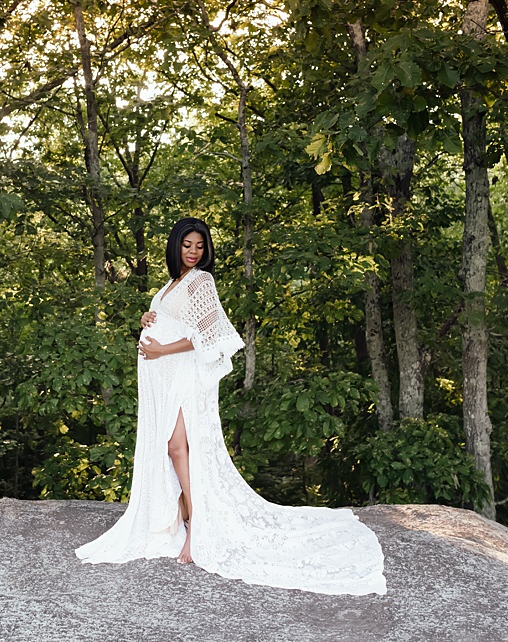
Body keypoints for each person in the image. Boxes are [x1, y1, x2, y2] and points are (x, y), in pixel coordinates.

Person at [75, 217, 386, 596]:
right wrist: (147, 318)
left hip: (185, 376)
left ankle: (198, 528)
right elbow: (171, 320)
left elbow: (207, 336)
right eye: (187, 245)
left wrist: (160, 349)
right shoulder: (171, 284)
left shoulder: (202, 281)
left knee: (177, 447)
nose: (193, 252)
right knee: (170, 449)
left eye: (200, 246)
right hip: (165, 378)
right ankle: (186, 516)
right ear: (175, 247)